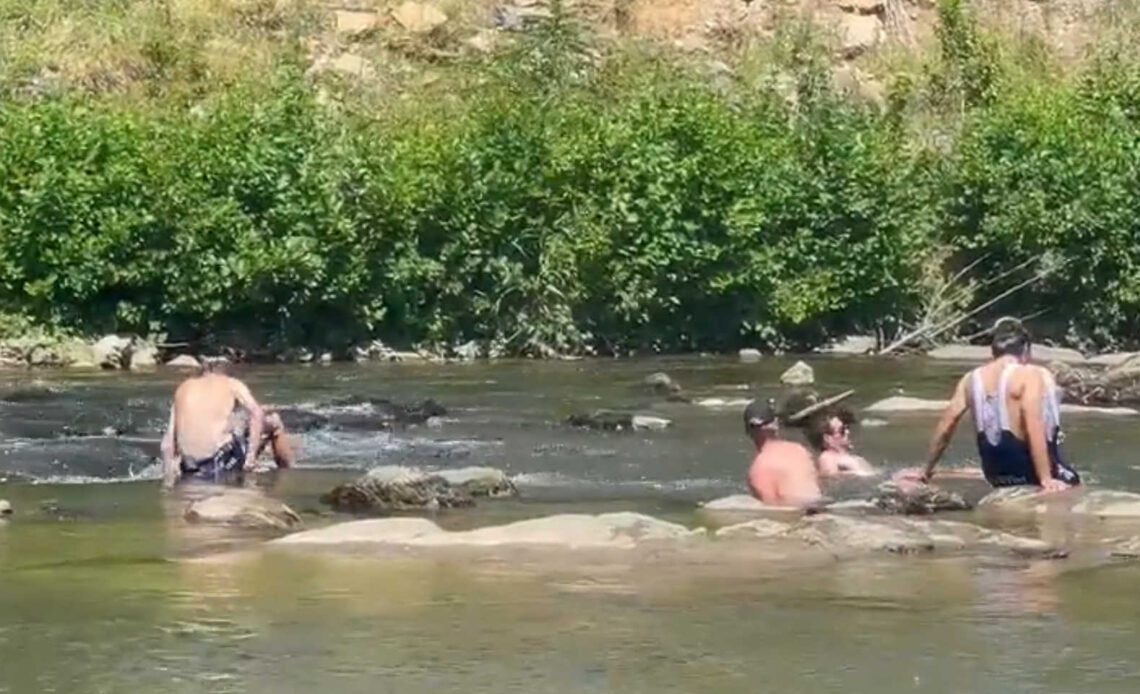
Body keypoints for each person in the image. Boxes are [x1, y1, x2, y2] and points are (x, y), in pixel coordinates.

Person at [910, 317, 1080, 493]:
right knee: (1076, 484)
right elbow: (1034, 425)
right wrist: (1046, 479)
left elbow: (946, 424)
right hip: (1028, 472)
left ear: (993, 353)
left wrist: (926, 470)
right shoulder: (1029, 375)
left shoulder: (970, 379)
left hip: (995, 473)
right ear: (1026, 351)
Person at [159, 359, 296, 489]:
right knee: (273, 421)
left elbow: (167, 443)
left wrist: (169, 476)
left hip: (189, 467)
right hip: (218, 464)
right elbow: (257, 413)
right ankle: (289, 476)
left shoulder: (183, 388)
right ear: (227, 371)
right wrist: (250, 459)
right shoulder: (232, 384)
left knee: (236, 427)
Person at [744, 398, 828, 508]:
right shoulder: (800, 451)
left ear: (748, 431)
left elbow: (773, 512)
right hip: (823, 510)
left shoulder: (759, 468)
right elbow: (819, 485)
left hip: (799, 518)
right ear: (776, 424)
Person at [805, 408, 876, 477]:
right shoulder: (827, 458)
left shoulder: (847, 457)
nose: (847, 432)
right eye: (842, 430)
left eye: (847, 428)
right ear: (827, 438)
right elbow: (831, 480)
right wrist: (853, 473)